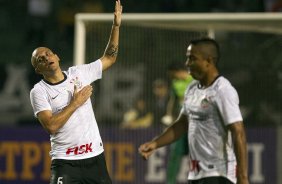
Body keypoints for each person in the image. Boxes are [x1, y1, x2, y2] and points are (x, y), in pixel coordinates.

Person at [29, 1, 122, 183]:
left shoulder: (78, 73)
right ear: (38, 70)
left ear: (57, 57)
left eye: (48, 53)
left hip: (95, 157)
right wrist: (75, 103)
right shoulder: (39, 91)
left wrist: (116, 26)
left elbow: (110, 58)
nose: (46, 57)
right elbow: (51, 126)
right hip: (65, 162)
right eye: (40, 59)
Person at [139, 38, 249, 184]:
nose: (187, 63)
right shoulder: (192, 89)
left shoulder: (223, 90)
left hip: (219, 175)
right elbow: (182, 124)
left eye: (192, 58)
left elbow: (238, 132)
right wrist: (155, 144)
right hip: (196, 175)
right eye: (187, 58)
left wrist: (242, 177)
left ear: (208, 61)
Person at [161, 63, 193, 184]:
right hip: (182, 124)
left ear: (178, 71)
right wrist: (168, 115)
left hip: (196, 126)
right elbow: (172, 102)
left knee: (198, 156)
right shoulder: (175, 84)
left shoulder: (195, 80)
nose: (172, 78)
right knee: (175, 154)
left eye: (173, 74)